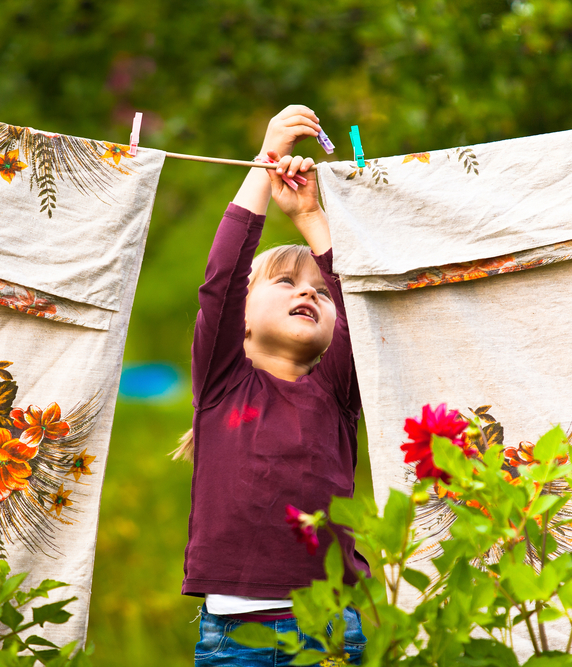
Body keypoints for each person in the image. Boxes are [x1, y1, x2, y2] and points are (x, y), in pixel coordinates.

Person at [176, 105, 369, 666]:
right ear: (241, 317)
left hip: (332, 629)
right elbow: (221, 279)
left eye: (319, 292)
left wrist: (311, 215)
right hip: (236, 640)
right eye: (284, 282)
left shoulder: (336, 393)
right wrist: (265, 165)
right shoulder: (221, 383)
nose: (308, 294)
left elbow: (357, 294)